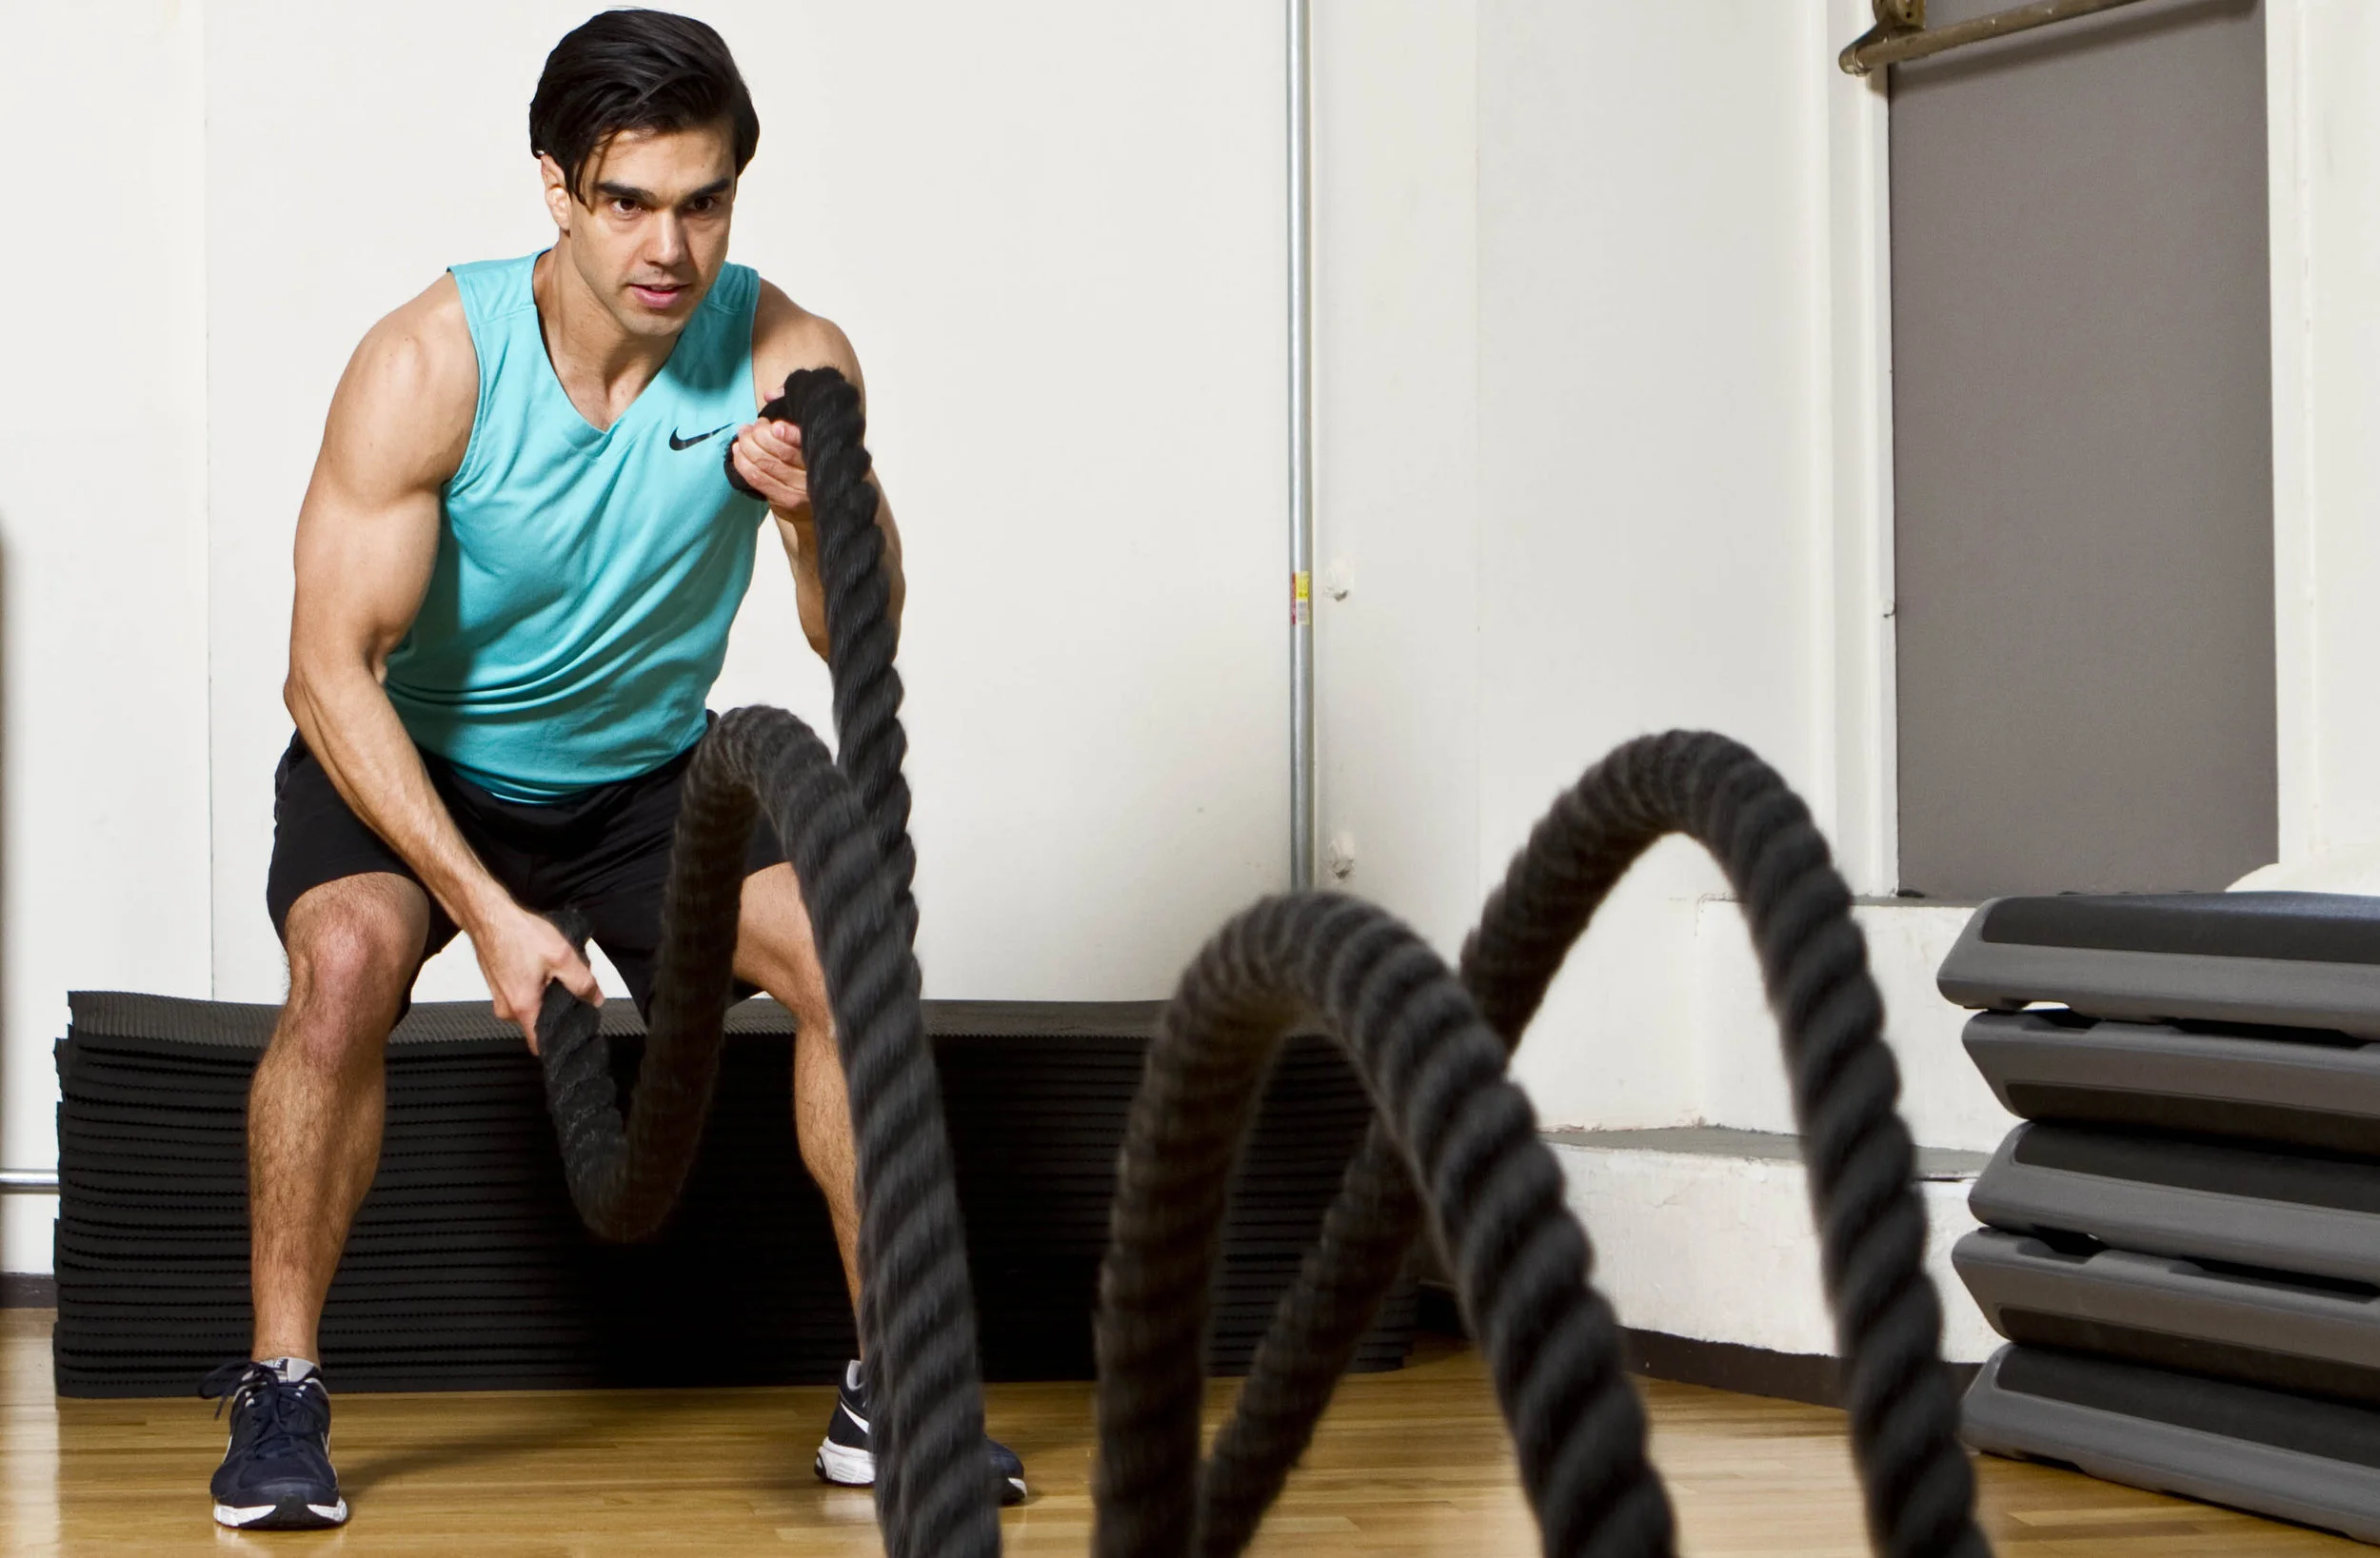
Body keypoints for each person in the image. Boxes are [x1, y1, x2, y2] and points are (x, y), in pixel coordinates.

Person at [198, 9, 1024, 1530]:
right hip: (420, 762)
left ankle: (895, 1389)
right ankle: (281, 1385)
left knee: (854, 956)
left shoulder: (788, 358)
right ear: (558, 190)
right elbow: (324, 672)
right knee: (344, 966)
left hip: (648, 784)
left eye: (703, 202)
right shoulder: (430, 361)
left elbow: (856, 633)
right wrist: (489, 912)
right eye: (629, 201)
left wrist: (808, 520)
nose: (669, 246)